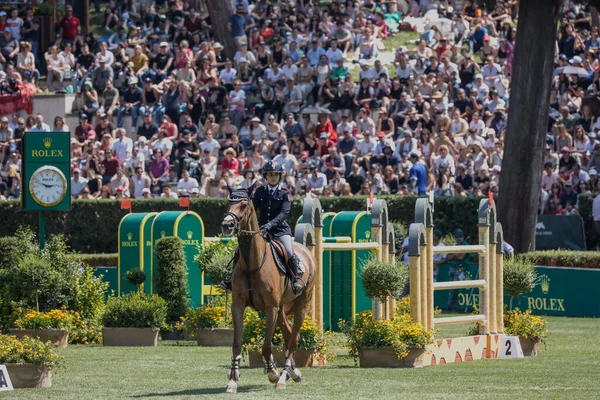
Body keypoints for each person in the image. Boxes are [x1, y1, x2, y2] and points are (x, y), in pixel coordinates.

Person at [250, 160, 304, 294]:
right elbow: (252, 209)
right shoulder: (260, 192)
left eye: (276, 174)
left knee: (289, 251)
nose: (273, 176)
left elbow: (284, 213)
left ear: (280, 176)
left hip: (280, 231)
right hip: (262, 231)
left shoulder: (285, 193)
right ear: (266, 176)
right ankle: (231, 278)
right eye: (270, 174)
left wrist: (270, 224)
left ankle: (295, 280)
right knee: (242, 247)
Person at [445, 229, 470, 312]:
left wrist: (454, 254)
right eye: (456, 237)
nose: (458, 239)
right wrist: (456, 254)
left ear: (463, 237)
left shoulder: (466, 245)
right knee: (451, 288)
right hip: (452, 267)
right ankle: (454, 306)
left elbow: (460, 257)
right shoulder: (454, 245)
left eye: (460, 237)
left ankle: (451, 305)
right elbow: (447, 258)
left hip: (461, 268)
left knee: (455, 288)